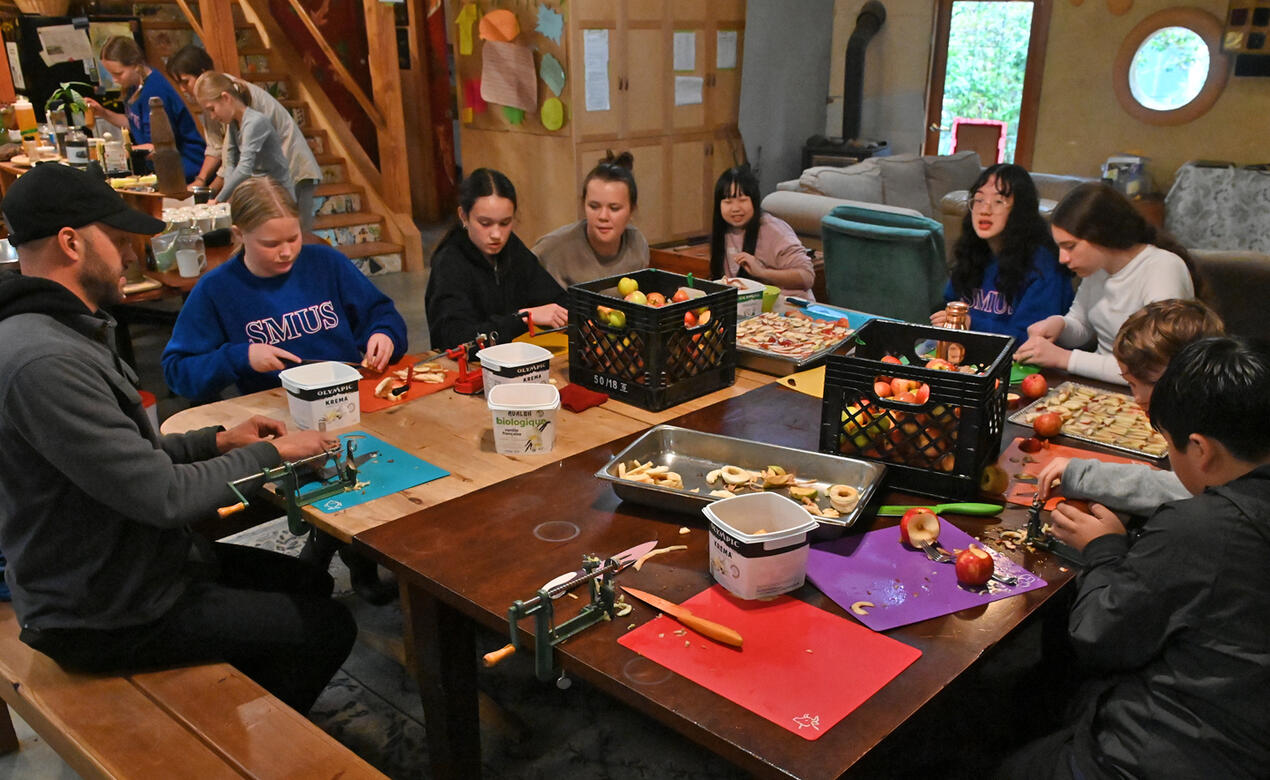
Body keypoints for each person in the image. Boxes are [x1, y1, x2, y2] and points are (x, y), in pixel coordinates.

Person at [0, 163, 355, 714]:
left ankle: (239, 698)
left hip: (136, 571)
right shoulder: (44, 361)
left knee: (307, 584)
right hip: (104, 610)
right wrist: (270, 453)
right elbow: (164, 497)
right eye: (117, 241)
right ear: (71, 243)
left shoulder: (58, 329)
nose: (129, 258)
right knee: (326, 628)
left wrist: (217, 442)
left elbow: (122, 458)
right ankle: (241, 743)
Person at [999, 336, 1270, 779]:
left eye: (1169, 445)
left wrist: (1104, 548)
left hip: (1184, 751)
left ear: (1201, 449)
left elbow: (1098, 636)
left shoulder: (1201, 529)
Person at [162, 176, 407, 402]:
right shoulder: (216, 289)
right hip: (275, 408)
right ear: (239, 234)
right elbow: (178, 371)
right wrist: (240, 357)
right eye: (271, 244)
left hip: (349, 396)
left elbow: (381, 313)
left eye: (293, 238)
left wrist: (384, 334)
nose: (287, 252)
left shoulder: (326, 263)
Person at [1036, 299, 1224, 515]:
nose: (1137, 398)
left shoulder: (1208, 438)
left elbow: (1181, 490)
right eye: (1130, 383)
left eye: (1142, 384)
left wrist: (1085, 476)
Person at [1014, 183, 1196, 384]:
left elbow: (1152, 368)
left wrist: (1064, 358)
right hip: (1099, 385)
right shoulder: (1096, 269)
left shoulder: (1163, 268)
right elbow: (1082, 324)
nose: (1062, 258)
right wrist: (1060, 325)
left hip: (1143, 393)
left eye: (1070, 247)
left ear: (1102, 235)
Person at [166, 46, 321, 233]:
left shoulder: (235, 100)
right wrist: (201, 183)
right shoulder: (214, 102)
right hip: (264, 178)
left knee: (294, 236)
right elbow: (220, 151)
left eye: (185, 81)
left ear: (203, 74)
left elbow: (242, 163)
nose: (183, 89)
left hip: (292, 170)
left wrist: (216, 197)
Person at [425, 168, 567, 351]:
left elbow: (554, 299)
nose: (496, 234)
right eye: (485, 223)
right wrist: (521, 318)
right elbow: (455, 340)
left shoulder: (512, 249)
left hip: (512, 362)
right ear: (463, 217)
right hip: (468, 370)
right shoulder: (449, 263)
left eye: (505, 223)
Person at [931, 164, 1073, 343]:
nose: (985, 210)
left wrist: (972, 325)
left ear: (1020, 210)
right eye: (979, 199)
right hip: (965, 353)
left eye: (998, 202)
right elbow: (949, 303)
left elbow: (1033, 340)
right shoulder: (972, 253)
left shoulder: (1043, 266)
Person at [87, 36, 206, 182]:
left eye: (118, 73)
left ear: (136, 65)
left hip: (186, 168)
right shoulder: (134, 86)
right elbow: (135, 124)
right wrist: (103, 113)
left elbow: (160, 145)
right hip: (162, 169)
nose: (115, 80)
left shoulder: (155, 91)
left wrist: (121, 152)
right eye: (111, 74)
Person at [532, 150, 649, 289]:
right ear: (583, 205)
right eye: (594, 206)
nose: (603, 217)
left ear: (632, 210)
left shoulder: (637, 244)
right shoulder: (551, 249)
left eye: (614, 208)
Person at [709, 166, 814, 300]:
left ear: (755, 200)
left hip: (789, 307)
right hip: (748, 308)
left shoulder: (775, 230)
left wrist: (762, 272)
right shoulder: (722, 231)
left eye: (742, 200)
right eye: (728, 202)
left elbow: (807, 277)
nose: (735, 208)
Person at [193, 72, 294, 204]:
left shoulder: (255, 122)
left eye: (212, 109)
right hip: (258, 191)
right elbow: (230, 161)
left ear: (226, 98)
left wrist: (219, 199)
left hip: (277, 193)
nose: (212, 116)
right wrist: (228, 198)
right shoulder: (234, 124)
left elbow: (245, 168)